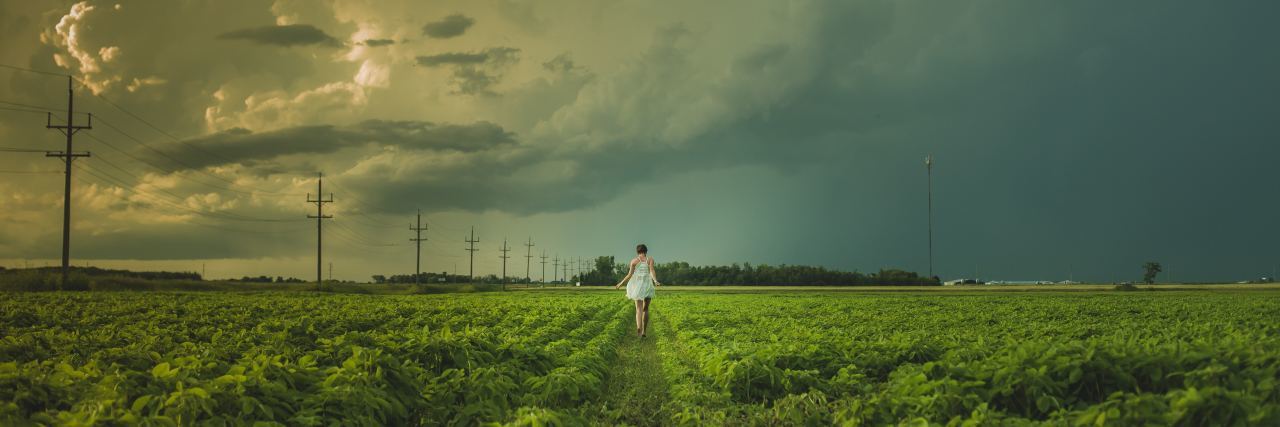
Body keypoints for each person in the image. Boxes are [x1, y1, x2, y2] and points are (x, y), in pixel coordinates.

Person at [615, 243, 660, 337]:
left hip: (637, 286)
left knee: (638, 309)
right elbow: (652, 271)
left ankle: (638, 330)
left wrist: (621, 283)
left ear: (637, 252)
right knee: (646, 309)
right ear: (646, 251)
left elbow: (629, 274)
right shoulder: (650, 260)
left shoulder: (634, 261)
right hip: (647, 285)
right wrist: (655, 281)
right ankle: (644, 331)